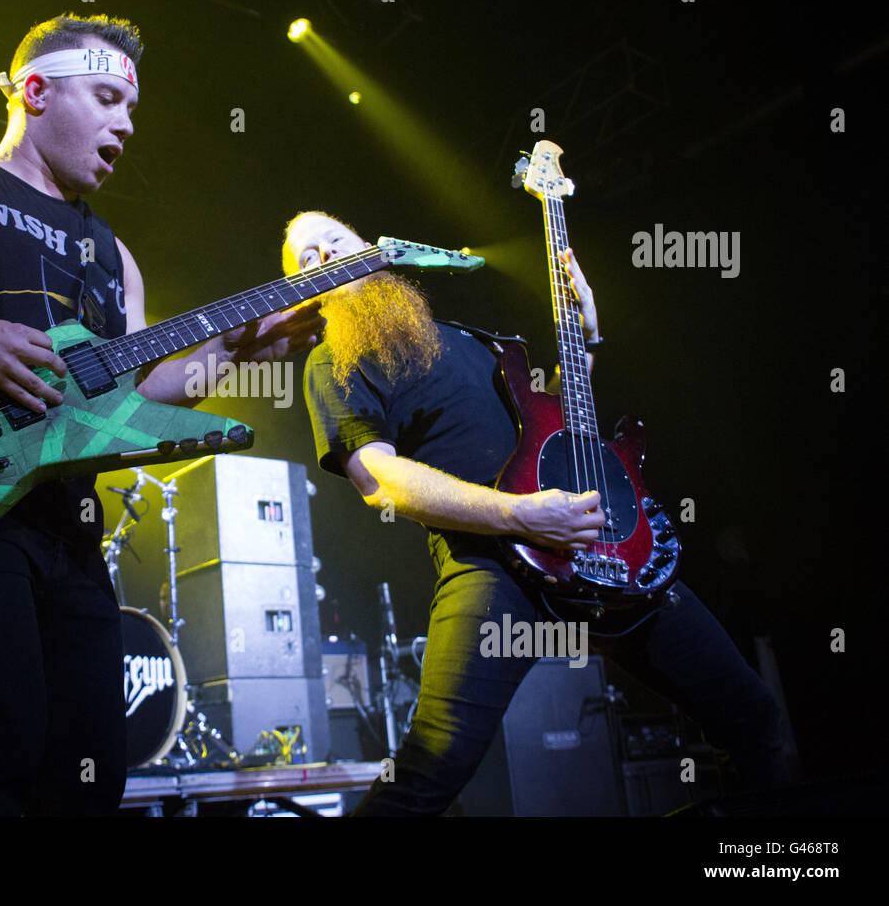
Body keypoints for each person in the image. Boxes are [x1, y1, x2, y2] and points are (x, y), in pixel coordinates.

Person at [0, 13, 321, 816]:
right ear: (37, 91)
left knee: (88, 765)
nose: (125, 125)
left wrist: (234, 354)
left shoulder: (114, 256)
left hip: (69, 525)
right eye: (109, 97)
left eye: (132, 108)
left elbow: (125, 406)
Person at [284, 210, 791, 816]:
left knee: (754, 719)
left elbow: (559, 418)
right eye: (304, 260)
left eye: (331, 242)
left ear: (370, 248)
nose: (320, 260)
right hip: (492, 563)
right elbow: (378, 479)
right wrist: (521, 517)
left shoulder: (477, 341)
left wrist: (587, 335)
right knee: (433, 764)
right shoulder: (333, 361)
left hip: (599, 549)